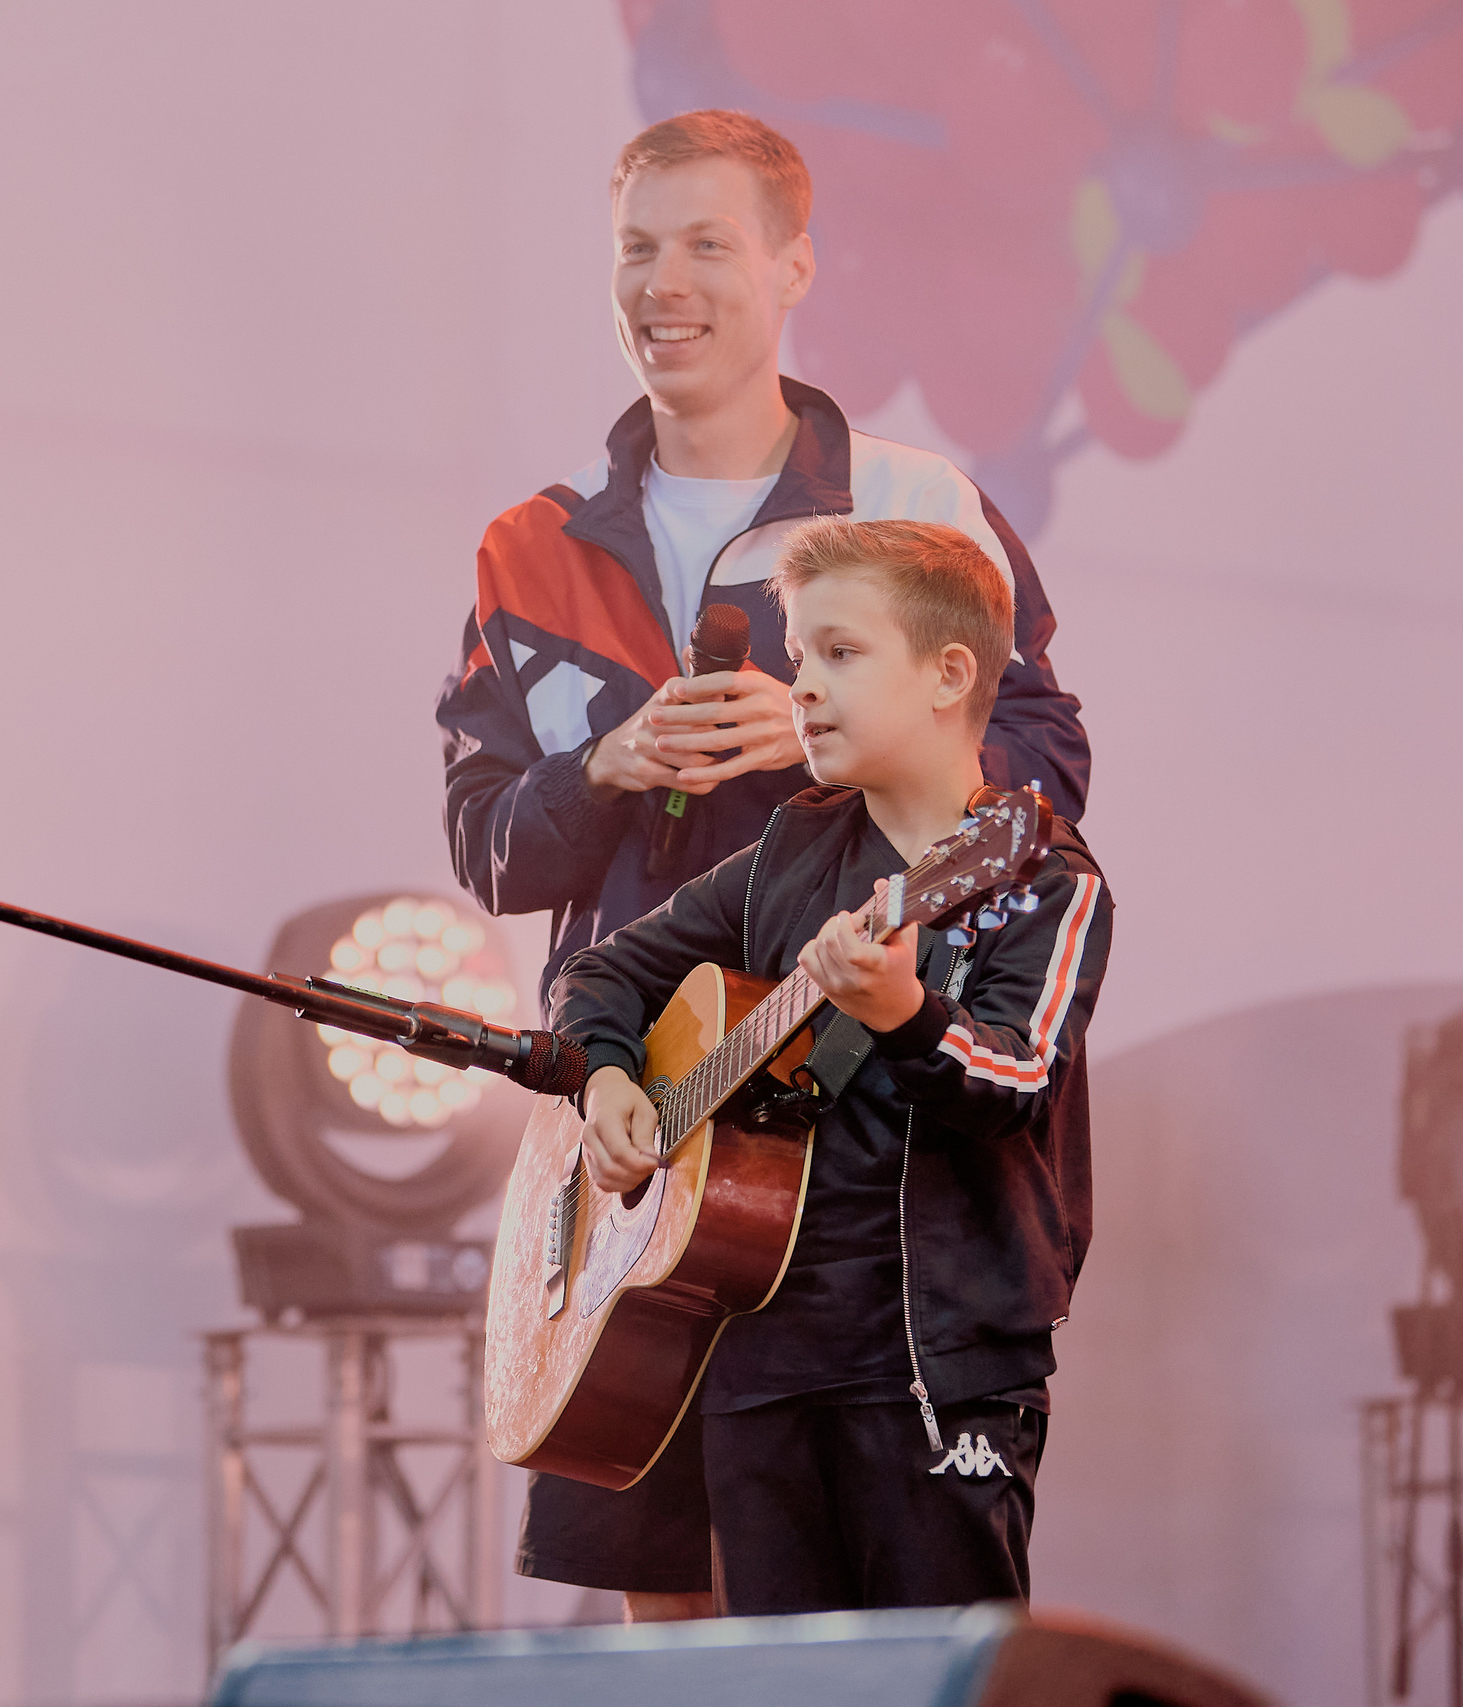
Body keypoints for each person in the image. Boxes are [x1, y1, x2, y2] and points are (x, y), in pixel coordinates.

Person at [435, 107, 1093, 1620]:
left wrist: (822, 741)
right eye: (637, 249)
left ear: (796, 266)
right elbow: (485, 838)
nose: (666, 282)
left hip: (872, 1158)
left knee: (863, 1617)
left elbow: (1048, 769)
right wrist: (600, 767)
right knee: (664, 1602)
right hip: (649, 1142)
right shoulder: (525, 547)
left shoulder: (917, 502)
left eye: (709, 244)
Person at [546, 516, 1110, 1614]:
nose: (798, 686)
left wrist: (901, 1011)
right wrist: (610, 1080)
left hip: (935, 1370)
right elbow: (599, 974)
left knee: (937, 1684)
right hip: (754, 1361)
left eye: (838, 655)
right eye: (797, 657)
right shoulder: (791, 852)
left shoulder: (1035, 875)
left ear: (951, 674)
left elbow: (1018, 1083)